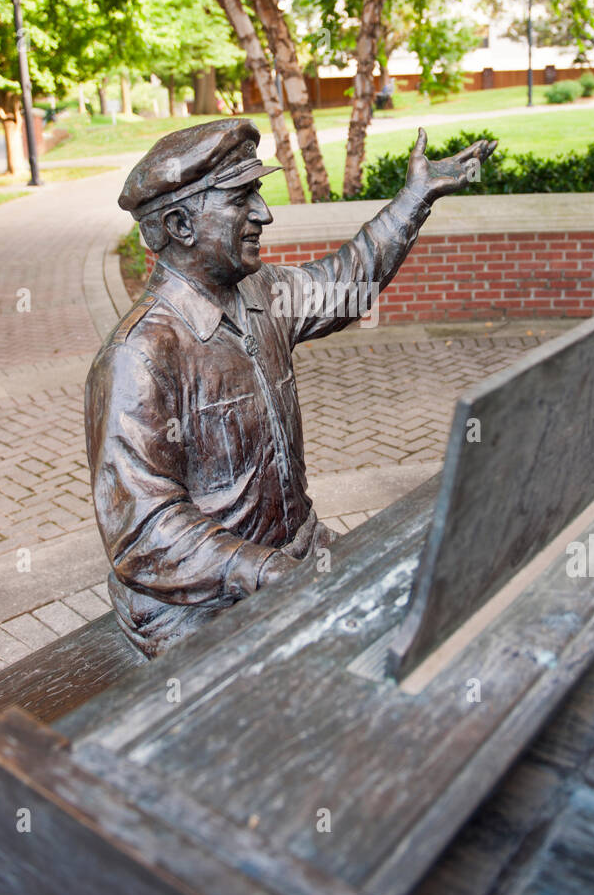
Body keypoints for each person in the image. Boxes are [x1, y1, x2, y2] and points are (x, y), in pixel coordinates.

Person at [84, 117, 496, 657]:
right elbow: (144, 532)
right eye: (241, 199)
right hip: (196, 607)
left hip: (296, 554)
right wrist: (264, 571)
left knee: (416, 631)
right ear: (182, 224)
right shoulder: (136, 358)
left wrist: (414, 197)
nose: (264, 213)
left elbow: (348, 279)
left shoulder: (263, 294)